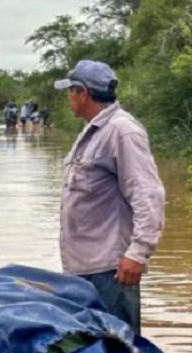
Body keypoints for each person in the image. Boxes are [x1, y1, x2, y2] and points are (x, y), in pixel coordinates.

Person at [54, 59, 166, 334]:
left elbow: (148, 194)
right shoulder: (93, 130)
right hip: (84, 266)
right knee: (92, 350)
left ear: (83, 93)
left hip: (111, 269)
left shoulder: (122, 131)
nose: (68, 97)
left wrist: (138, 254)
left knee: (119, 350)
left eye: (70, 90)